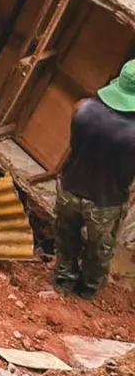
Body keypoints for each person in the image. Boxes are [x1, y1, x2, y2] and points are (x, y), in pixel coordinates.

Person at [53, 59, 135, 298]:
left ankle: (63, 280)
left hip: (69, 187)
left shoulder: (82, 109)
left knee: (66, 236)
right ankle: (87, 290)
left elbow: (75, 145)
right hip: (105, 201)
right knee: (99, 249)